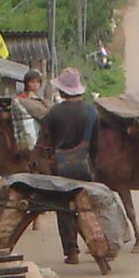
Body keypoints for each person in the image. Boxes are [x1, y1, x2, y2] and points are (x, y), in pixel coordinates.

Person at [36, 67, 100, 265]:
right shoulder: (92, 111)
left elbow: (45, 142)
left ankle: (71, 251)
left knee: (64, 209)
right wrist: (93, 165)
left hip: (61, 167)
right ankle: (97, 245)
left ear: (62, 91)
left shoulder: (54, 113)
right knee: (87, 207)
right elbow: (96, 145)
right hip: (85, 166)